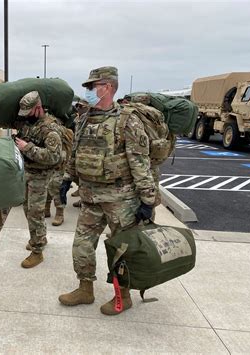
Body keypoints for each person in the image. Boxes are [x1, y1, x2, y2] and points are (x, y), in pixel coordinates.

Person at [58, 66, 156, 315]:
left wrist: (147, 200)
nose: (89, 91)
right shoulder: (83, 119)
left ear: (109, 87)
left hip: (120, 200)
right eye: (88, 87)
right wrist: (67, 179)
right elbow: (75, 153)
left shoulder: (127, 121)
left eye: (93, 86)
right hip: (90, 197)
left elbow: (140, 162)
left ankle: (123, 296)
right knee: (81, 244)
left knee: (120, 250)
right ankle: (85, 288)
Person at [14, 91, 63, 268]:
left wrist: (28, 148)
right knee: (29, 211)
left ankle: (37, 252)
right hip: (28, 173)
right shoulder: (29, 124)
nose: (26, 116)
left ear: (38, 108)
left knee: (35, 213)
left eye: (29, 111)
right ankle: (39, 238)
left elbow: (53, 157)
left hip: (41, 177)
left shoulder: (51, 129)